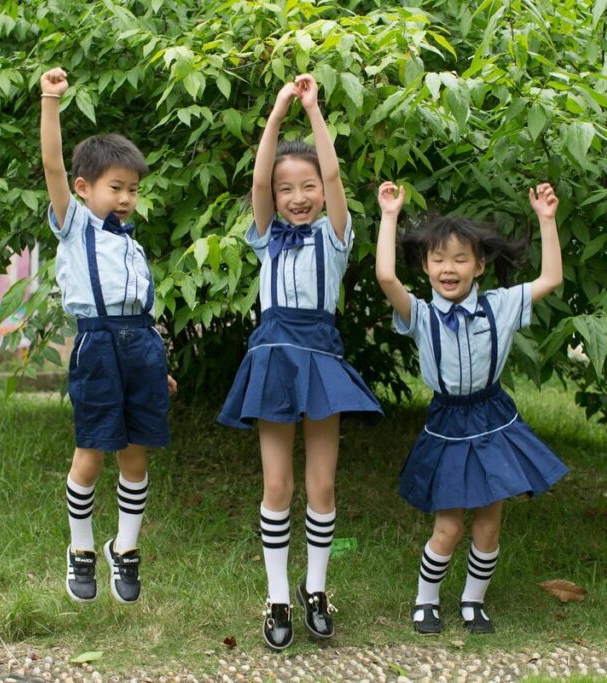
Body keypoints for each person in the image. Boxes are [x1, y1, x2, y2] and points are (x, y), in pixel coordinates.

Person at [218, 74, 384, 650]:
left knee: (322, 486)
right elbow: (260, 176)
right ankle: (277, 597)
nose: (296, 196)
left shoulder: (334, 236)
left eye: (306, 186)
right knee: (277, 485)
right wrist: (276, 110)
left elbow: (334, 175)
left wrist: (313, 111)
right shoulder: (265, 235)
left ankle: (316, 590)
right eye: (288, 189)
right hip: (272, 357)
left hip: (321, 358)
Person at [374, 180, 569, 635]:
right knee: (449, 528)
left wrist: (547, 220)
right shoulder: (419, 314)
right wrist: (388, 217)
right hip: (447, 422)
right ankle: (426, 601)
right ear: (425, 266)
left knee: (487, 525)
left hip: (493, 418)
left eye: (461, 259)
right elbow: (386, 278)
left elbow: (552, 279)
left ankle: (473, 602)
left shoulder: (500, 306)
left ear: (479, 266)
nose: (449, 267)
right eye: (439, 259)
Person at [40, 67, 176, 606]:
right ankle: (80, 551)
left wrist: (153, 362)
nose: (125, 198)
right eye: (115, 188)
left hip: (140, 345)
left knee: (136, 456)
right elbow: (52, 163)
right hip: (97, 345)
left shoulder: (132, 244)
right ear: (83, 188)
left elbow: (141, 310)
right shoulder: (75, 226)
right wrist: (51, 100)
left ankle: (126, 548)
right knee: (91, 452)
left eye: (133, 190)